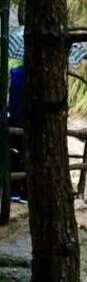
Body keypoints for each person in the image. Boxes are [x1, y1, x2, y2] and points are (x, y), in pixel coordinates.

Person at [8, 63, 26, 201]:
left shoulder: (14, 73)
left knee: (13, 154)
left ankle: (13, 190)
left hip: (13, 119)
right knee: (27, 156)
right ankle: (25, 191)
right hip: (27, 121)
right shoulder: (36, 75)